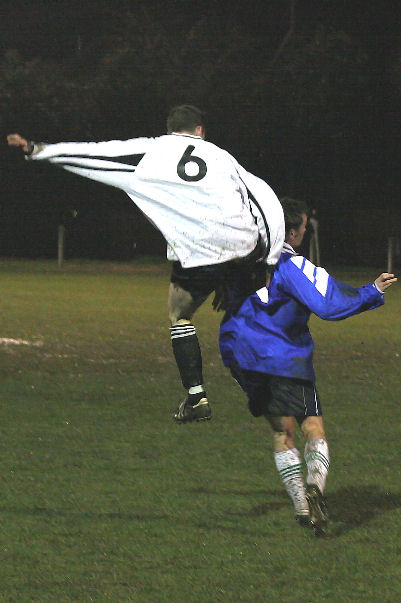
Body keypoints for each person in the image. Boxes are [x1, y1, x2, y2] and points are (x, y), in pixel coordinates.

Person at [7, 105, 285, 423]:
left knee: (180, 316)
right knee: (244, 317)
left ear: (169, 130)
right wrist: (267, 261)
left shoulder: (151, 151)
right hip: (244, 245)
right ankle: (265, 381)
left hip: (198, 252)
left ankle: (197, 400)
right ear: (200, 131)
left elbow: (96, 154)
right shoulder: (221, 156)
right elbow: (263, 198)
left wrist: (38, 150)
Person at [218, 197, 397, 535]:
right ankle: (314, 485)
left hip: (243, 359)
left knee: (281, 432)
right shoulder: (289, 263)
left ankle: (302, 508)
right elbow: (328, 303)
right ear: (295, 232)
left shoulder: (243, 261)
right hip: (285, 359)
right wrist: (371, 292)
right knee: (312, 427)